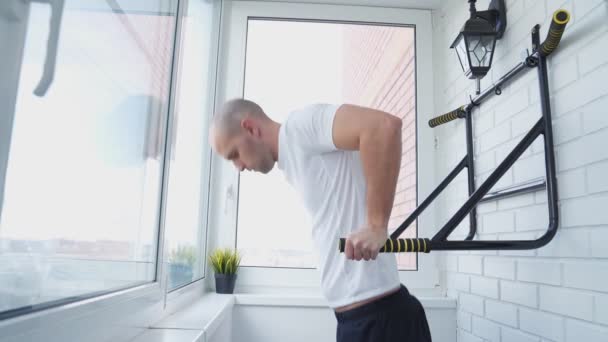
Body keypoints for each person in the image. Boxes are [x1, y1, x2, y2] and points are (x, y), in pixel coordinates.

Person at [209, 98, 432, 342]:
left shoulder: (298, 128)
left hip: (381, 322)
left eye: (234, 154)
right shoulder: (293, 158)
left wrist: (376, 225)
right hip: (359, 321)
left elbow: (383, 126)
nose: (238, 167)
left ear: (250, 128)